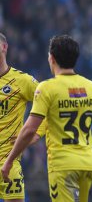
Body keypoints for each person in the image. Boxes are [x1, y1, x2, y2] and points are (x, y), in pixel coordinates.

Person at [1, 35, 92, 202]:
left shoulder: (43, 87)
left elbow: (33, 125)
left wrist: (33, 137)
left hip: (60, 164)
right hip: (87, 162)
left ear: (51, 58)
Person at [0, 32, 44, 202]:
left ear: (4, 47)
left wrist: (35, 135)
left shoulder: (22, 81)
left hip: (8, 162)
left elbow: (48, 104)